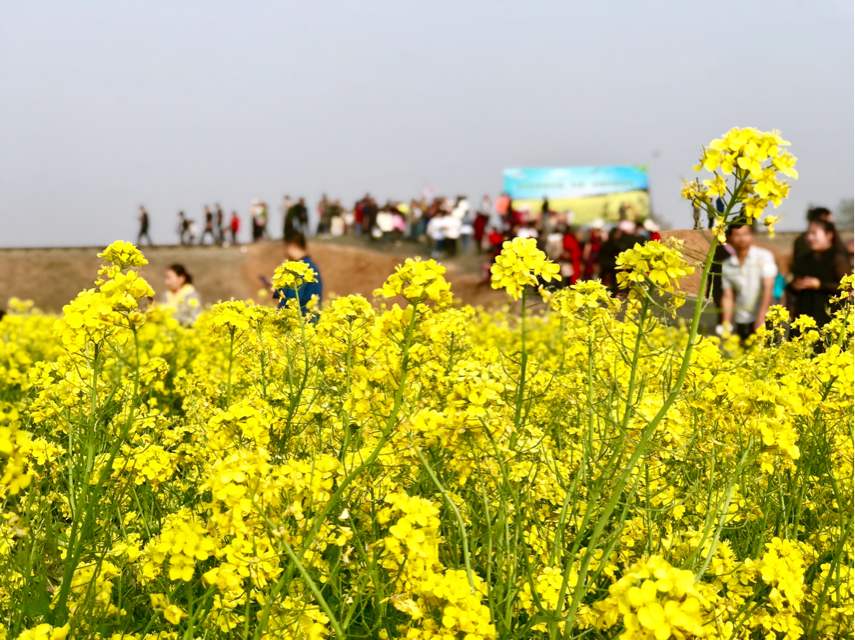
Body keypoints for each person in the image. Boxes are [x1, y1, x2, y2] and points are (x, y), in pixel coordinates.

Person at [788, 219, 851, 329]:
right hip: (803, 316)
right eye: (808, 234)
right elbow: (791, 285)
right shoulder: (804, 259)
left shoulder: (837, 258)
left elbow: (847, 288)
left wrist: (820, 285)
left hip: (828, 320)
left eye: (814, 233)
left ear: (829, 235)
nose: (809, 238)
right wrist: (795, 285)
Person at [720, 223, 778, 341]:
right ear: (729, 238)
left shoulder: (764, 256)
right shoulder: (727, 265)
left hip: (765, 318)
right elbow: (727, 297)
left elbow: (768, 287)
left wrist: (761, 317)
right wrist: (726, 325)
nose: (742, 238)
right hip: (742, 319)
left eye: (745, 234)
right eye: (737, 235)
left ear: (751, 235)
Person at [275, 232, 323, 316]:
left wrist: (281, 318)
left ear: (292, 246)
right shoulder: (309, 266)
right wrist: (279, 289)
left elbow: (293, 298)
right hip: (307, 322)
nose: (285, 252)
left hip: (301, 322)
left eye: (286, 248)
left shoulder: (300, 269)